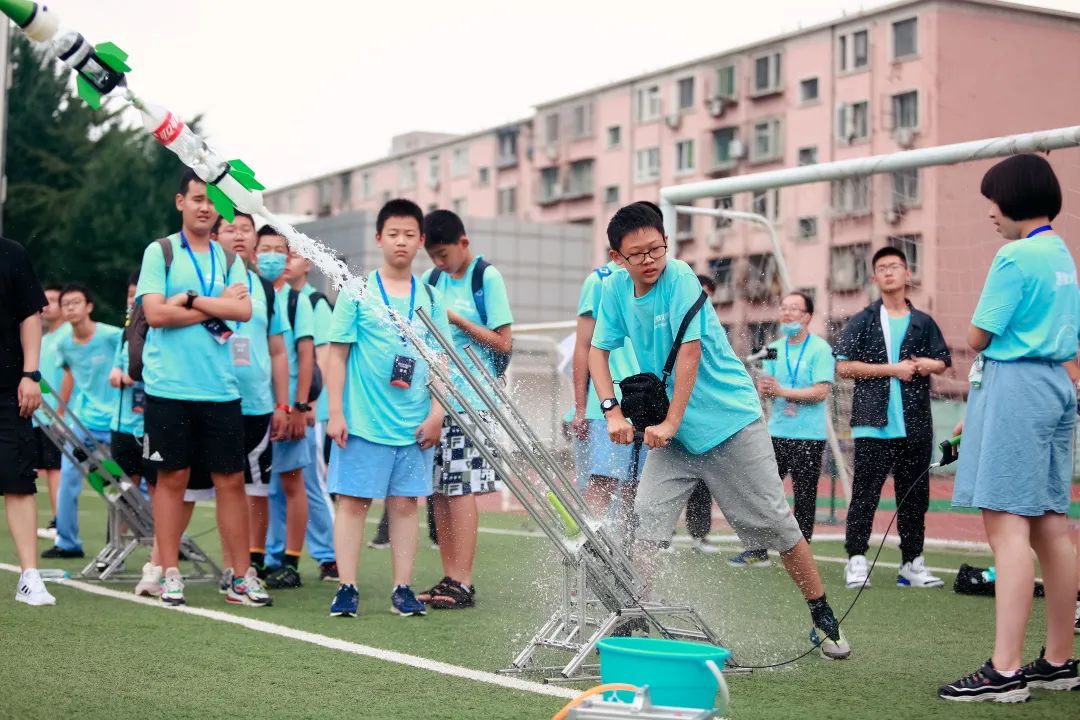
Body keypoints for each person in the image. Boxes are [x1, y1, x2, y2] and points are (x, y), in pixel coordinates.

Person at [589, 201, 850, 659]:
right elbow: (598, 352)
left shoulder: (682, 278)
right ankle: (629, 621)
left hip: (730, 422)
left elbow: (689, 354)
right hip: (673, 437)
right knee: (646, 524)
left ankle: (822, 614)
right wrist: (611, 411)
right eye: (638, 254)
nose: (650, 260)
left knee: (776, 523)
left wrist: (669, 421)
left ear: (667, 243)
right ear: (617, 258)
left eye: (657, 248)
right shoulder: (612, 292)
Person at [940, 154, 1079, 701]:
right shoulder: (1063, 255)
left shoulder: (1014, 256)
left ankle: (1005, 670)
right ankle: (1060, 660)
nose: (990, 213)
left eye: (994, 201)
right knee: (1051, 526)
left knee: (1007, 529)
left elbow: (976, 337)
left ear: (1016, 199)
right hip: (1057, 388)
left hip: (1017, 386)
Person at [136, 169, 270, 608]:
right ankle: (168, 572)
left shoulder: (229, 257)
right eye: (197, 199)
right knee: (171, 480)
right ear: (181, 202)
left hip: (221, 389)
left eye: (211, 201)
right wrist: (216, 306)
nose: (205, 207)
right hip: (169, 386)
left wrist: (189, 300)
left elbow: (245, 311)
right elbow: (155, 315)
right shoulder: (161, 253)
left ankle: (239, 575)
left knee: (231, 480)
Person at [325, 198, 452, 618]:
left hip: (415, 425)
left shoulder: (431, 297)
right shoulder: (358, 291)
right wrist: (336, 414)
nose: (401, 242)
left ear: (421, 242)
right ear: (378, 239)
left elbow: (441, 361)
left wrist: (437, 413)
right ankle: (347, 586)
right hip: (362, 422)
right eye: (393, 234)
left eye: (409, 235)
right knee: (353, 502)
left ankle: (403, 588)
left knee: (404, 505)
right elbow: (337, 355)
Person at [834, 247, 951, 590]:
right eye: (881, 268)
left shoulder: (923, 322)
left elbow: (943, 360)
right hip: (873, 422)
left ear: (906, 273)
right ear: (873, 278)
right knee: (865, 493)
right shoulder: (863, 319)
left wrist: (929, 365)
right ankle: (856, 560)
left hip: (915, 425)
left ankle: (912, 564)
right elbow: (843, 367)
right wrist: (892, 370)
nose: (888, 272)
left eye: (894, 266)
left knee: (914, 497)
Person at [414, 209, 513, 609]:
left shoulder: (485, 277)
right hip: (435, 399)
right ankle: (449, 577)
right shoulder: (431, 280)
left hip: (473, 401)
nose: (439, 262)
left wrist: (453, 319)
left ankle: (464, 581)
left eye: (444, 254)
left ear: (464, 243)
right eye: (433, 255)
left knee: (461, 490)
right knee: (438, 490)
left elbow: (503, 342)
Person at [213, 215, 293, 590]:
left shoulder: (264, 287)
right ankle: (220, 565)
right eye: (230, 228)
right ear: (216, 236)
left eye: (246, 229)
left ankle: (251, 562)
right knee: (215, 486)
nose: (239, 235)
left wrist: (283, 404)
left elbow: (279, 351)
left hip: (258, 404)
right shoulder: (206, 281)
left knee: (255, 487)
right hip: (213, 399)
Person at [733, 291, 835, 568]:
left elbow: (822, 391)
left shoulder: (820, 349)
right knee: (764, 490)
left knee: (804, 496)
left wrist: (781, 391)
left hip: (809, 436)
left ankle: (800, 551)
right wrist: (765, 390)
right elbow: (767, 389)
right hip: (777, 431)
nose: (787, 313)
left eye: (794, 309)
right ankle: (758, 548)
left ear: (807, 317)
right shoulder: (774, 347)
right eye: (784, 308)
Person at [264, 242, 339, 583]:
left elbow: (320, 355)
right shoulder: (271, 297)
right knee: (279, 485)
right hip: (279, 406)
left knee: (311, 484)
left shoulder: (312, 302)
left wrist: (308, 403)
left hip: (310, 410)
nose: (283, 260)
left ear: (306, 262)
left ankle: (329, 555)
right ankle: (274, 554)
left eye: (289, 254)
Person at [566, 247, 646, 546]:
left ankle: (627, 575)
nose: (646, 256)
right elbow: (583, 346)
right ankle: (585, 570)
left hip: (650, 406)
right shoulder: (599, 280)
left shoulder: (663, 281)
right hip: (606, 403)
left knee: (635, 493)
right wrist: (579, 408)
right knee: (601, 484)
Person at [42, 283, 122, 559]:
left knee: (133, 482)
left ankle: (166, 539)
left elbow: (132, 360)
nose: (71, 307)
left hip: (118, 420)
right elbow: (69, 374)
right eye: (66, 304)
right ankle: (67, 542)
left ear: (89, 306)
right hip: (85, 420)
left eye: (76, 302)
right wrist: (61, 413)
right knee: (67, 475)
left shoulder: (112, 336)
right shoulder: (64, 344)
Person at [0, 235, 56, 606]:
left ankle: (29, 577)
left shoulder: (11, 253)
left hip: (7, 388)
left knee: (18, 481)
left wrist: (30, 374)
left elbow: (29, 316)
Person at [34, 283, 69, 539]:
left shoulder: (68, 336)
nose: (46, 305)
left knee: (57, 469)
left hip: (59, 417)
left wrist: (61, 411)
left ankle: (61, 522)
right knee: (48, 468)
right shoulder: (42, 338)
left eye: (53, 300)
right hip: (39, 415)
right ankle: (58, 520)